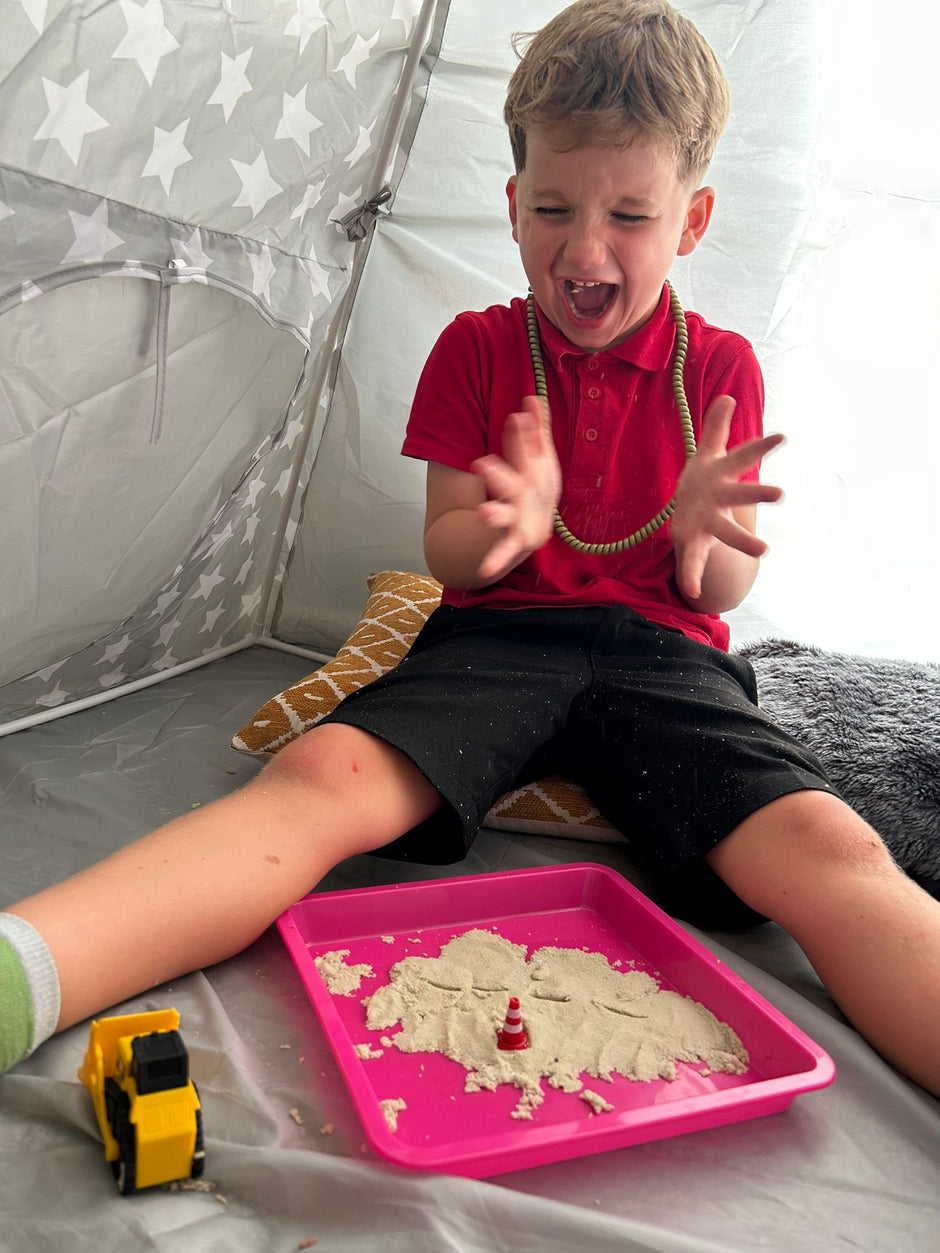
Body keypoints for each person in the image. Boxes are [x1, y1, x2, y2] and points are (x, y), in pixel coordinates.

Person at [2, 0, 938, 1096]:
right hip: (500, 634)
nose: (584, 248)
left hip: (661, 653)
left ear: (690, 220)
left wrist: (704, 535)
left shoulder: (719, 368)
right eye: (552, 207)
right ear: (511, 204)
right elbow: (445, 555)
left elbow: (722, 586)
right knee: (314, 777)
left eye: (629, 216)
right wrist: (503, 531)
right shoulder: (477, 348)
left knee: (830, 850)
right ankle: (33, 969)